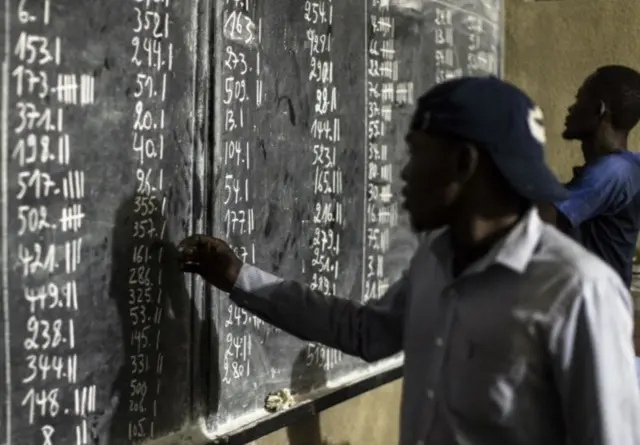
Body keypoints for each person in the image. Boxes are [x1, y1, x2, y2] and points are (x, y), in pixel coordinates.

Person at [178, 77, 640, 445]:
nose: (403, 172)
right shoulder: (437, 262)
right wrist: (240, 277)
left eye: (418, 153)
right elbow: (363, 331)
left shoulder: (577, 292)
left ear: (463, 163)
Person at [540, 65, 640, 288]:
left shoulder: (613, 172)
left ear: (599, 110)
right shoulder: (627, 166)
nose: (571, 109)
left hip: (596, 308)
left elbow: (545, 220)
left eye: (579, 100)